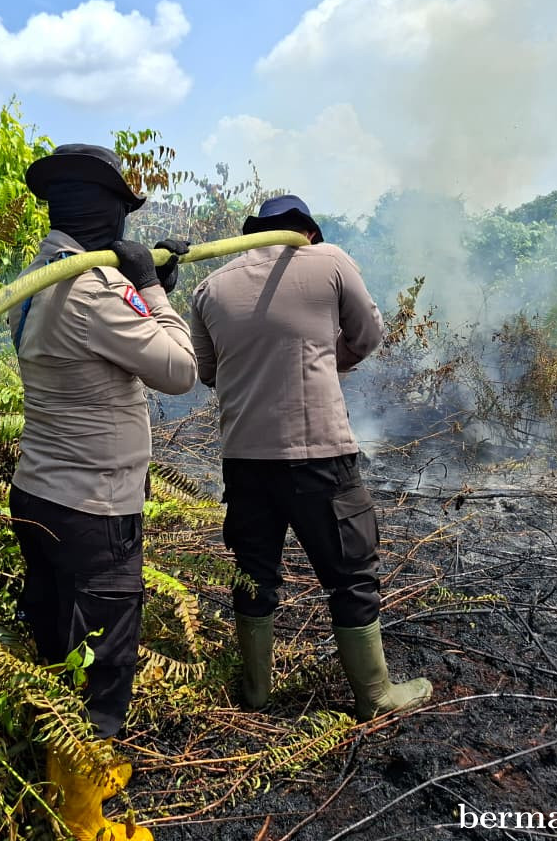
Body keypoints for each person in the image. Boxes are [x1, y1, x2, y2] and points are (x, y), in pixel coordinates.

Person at [10, 144, 195, 841]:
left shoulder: (41, 277)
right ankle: (82, 820)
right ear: (106, 214)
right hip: (93, 506)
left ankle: (63, 774)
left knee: (59, 640)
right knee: (103, 655)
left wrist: (143, 286)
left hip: (42, 492)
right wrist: (154, 291)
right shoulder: (89, 291)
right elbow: (179, 369)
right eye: (122, 213)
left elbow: (104, 339)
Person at [188, 194, 432, 720]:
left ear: (250, 234)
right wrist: (321, 356)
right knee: (351, 573)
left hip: (244, 461)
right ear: (309, 232)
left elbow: (207, 372)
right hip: (318, 456)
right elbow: (367, 335)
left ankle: (255, 691)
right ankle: (374, 696)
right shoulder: (330, 261)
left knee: (254, 572)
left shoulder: (209, 287)